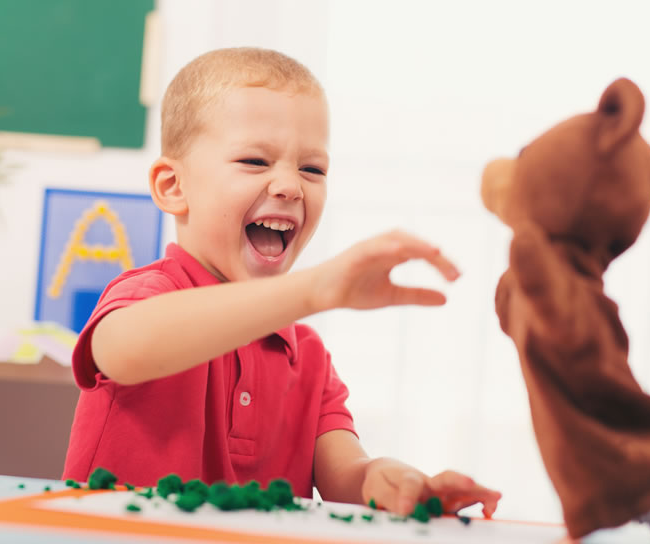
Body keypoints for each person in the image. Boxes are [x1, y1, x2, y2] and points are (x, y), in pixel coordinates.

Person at [62, 47, 501, 518]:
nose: (291, 186)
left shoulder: (308, 356)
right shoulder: (149, 296)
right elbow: (125, 351)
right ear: (173, 187)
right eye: (255, 161)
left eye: (312, 169)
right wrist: (313, 290)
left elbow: (345, 477)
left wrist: (391, 482)